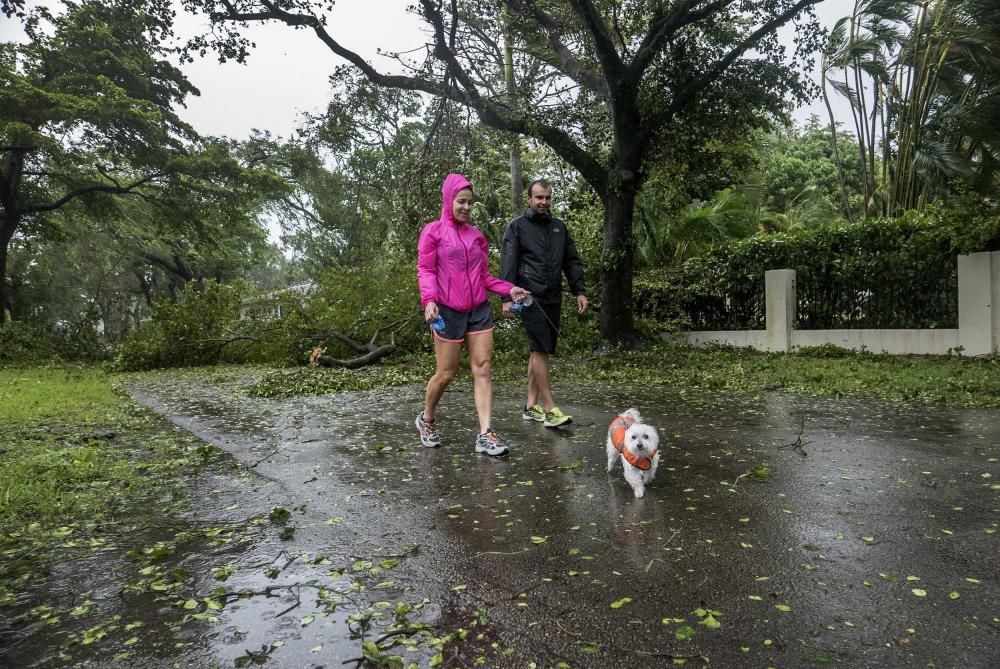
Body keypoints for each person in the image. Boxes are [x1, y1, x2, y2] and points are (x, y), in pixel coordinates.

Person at [416, 173, 530, 457]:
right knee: (446, 373)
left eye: (470, 203)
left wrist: (510, 289)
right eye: (461, 201)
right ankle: (426, 419)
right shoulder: (433, 232)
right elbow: (426, 270)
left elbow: (483, 277)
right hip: (448, 312)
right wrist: (429, 300)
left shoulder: (476, 236)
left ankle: (485, 433)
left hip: (477, 310)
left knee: (483, 368)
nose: (466, 207)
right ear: (448, 200)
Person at [500, 179, 588, 428]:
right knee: (541, 348)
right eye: (538, 197)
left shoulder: (559, 228)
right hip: (528, 296)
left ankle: (530, 406)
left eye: (547, 197)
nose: (543, 202)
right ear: (529, 199)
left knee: (538, 349)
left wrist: (579, 290)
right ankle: (550, 408)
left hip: (553, 295)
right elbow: (508, 262)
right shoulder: (516, 227)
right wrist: (506, 297)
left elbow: (571, 261)